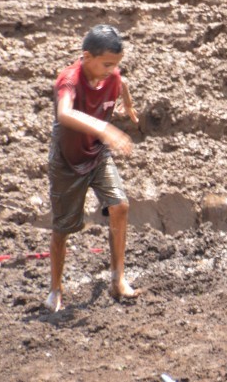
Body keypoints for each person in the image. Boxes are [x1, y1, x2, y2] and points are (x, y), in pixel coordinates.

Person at [44, 24, 140, 312]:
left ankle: (117, 279)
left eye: (116, 65)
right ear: (86, 57)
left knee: (120, 205)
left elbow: (121, 83)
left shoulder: (112, 76)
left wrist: (128, 104)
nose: (112, 70)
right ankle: (55, 289)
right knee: (63, 227)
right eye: (107, 64)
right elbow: (64, 113)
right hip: (67, 162)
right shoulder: (69, 80)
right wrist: (104, 127)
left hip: (97, 154)